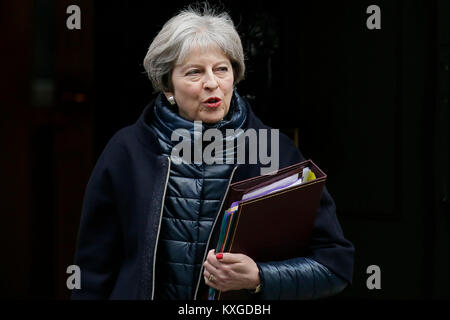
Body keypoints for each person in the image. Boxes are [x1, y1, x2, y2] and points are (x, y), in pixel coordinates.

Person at [72, 4, 354, 300]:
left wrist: (260, 277)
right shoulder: (127, 150)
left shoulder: (273, 152)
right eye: (194, 72)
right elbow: (93, 272)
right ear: (168, 85)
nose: (212, 83)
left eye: (222, 69)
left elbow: (335, 266)